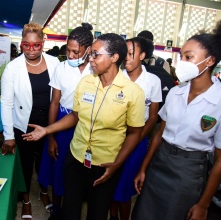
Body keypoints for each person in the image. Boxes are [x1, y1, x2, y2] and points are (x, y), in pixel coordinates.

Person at [23, 33, 146, 220]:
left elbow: (135, 133)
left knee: (97, 213)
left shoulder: (132, 92)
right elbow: (75, 116)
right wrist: (48, 131)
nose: (91, 59)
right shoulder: (86, 82)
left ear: (114, 58)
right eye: (91, 54)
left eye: (96, 54)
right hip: (76, 157)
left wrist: (117, 164)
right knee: (69, 210)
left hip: (105, 164)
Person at [132, 20, 221, 220]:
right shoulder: (176, 93)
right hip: (159, 163)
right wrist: (143, 168)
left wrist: (203, 204)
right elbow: (160, 134)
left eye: (189, 57)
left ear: (210, 61)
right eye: (181, 56)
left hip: (188, 172)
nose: (182, 62)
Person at [0, 23, 60, 220]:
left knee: (45, 162)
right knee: (25, 165)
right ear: (22, 44)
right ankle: (26, 200)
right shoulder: (12, 68)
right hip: (23, 126)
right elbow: (6, 103)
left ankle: (43, 192)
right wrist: (9, 135)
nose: (31, 50)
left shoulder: (54, 63)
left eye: (36, 45)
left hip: (48, 124)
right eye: (27, 45)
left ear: (43, 43)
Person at [38, 22, 94, 220]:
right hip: (62, 120)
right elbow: (54, 102)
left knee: (81, 169)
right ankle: (57, 209)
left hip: (87, 124)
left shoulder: (97, 70)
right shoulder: (61, 68)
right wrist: (51, 135)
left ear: (89, 50)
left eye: (75, 52)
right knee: (58, 166)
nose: (70, 56)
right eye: (68, 50)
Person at [109, 37, 162, 220]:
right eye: (125, 53)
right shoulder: (116, 76)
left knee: (125, 188)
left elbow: (153, 116)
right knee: (111, 182)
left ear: (143, 55)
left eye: (131, 54)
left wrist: (136, 139)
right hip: (115, 138)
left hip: (138, 140)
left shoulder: (153, 81)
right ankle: (112, 215)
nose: (127, 58)